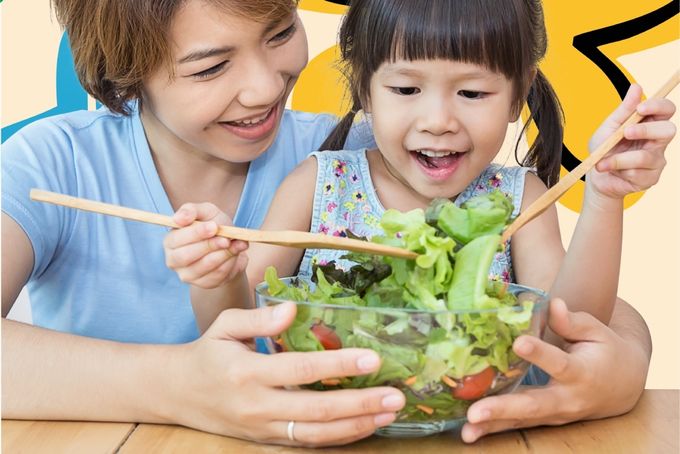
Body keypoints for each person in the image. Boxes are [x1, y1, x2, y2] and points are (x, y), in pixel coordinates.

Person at [2, 0, 674, 447]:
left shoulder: (366, 148)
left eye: (279, 34)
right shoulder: (54, 162)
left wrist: (624, 365)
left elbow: (564, 306)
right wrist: (185, 386)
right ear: (126, 73)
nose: (266, 86)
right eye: (210, 66)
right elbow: (228, 328)